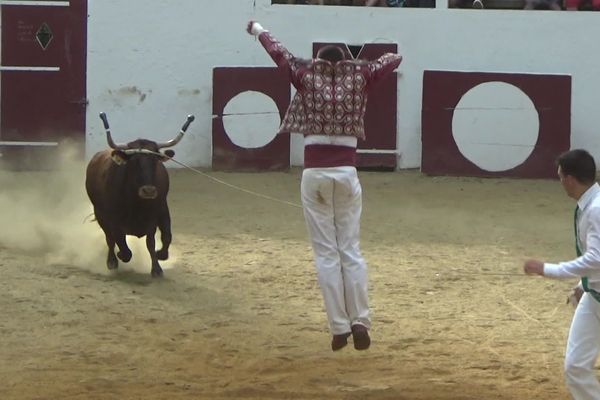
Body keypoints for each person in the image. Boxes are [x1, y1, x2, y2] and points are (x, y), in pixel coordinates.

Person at [246, 21, 402, 351]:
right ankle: (360, 320)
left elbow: (279, 53)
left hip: (315, 173)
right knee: (351, 250)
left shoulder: (305, 76)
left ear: (317, 61)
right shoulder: (361, 77)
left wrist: (258, 28)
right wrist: (359, 65)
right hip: (346, 172)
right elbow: (392, 59)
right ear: (346, 62)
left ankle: (339, 327)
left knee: (326, 253)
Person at [523, 149, 600, 399]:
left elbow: (596, 257)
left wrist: (548, 269)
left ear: (569, 179)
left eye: (559, 177)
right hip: (594, 295)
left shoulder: (596, 209)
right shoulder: (589, 205)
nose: (560, 183)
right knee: (576, 367)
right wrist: (583, 282)